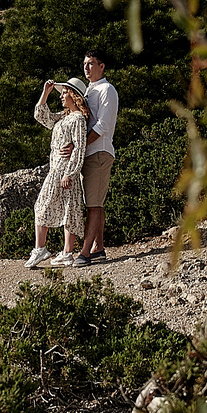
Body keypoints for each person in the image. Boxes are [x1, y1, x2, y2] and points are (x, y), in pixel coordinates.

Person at [27, 77, 89, 267]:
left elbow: (79, 147)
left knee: (69, 209)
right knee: (43, 205)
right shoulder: (63, 117)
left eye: (64, 92)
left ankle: (66, 252)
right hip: (56, 168)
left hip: (64, 169)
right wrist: (45, 92)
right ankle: (41, 249)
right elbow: (41, 116)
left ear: (74, 95)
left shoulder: (78, 119)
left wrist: (70, 173)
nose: (61, 96)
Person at [74, 51, 119, 263]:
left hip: (99, 151)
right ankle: (98, 247)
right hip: (90, 153)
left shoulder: (106, 90)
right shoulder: (89, 91)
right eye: (85, 64)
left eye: (91, 64)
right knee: (94, 202)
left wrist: (81, 145)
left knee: (93, 204)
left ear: (102, 66)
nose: (87, 67)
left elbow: (104, 125)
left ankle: (85, 253)